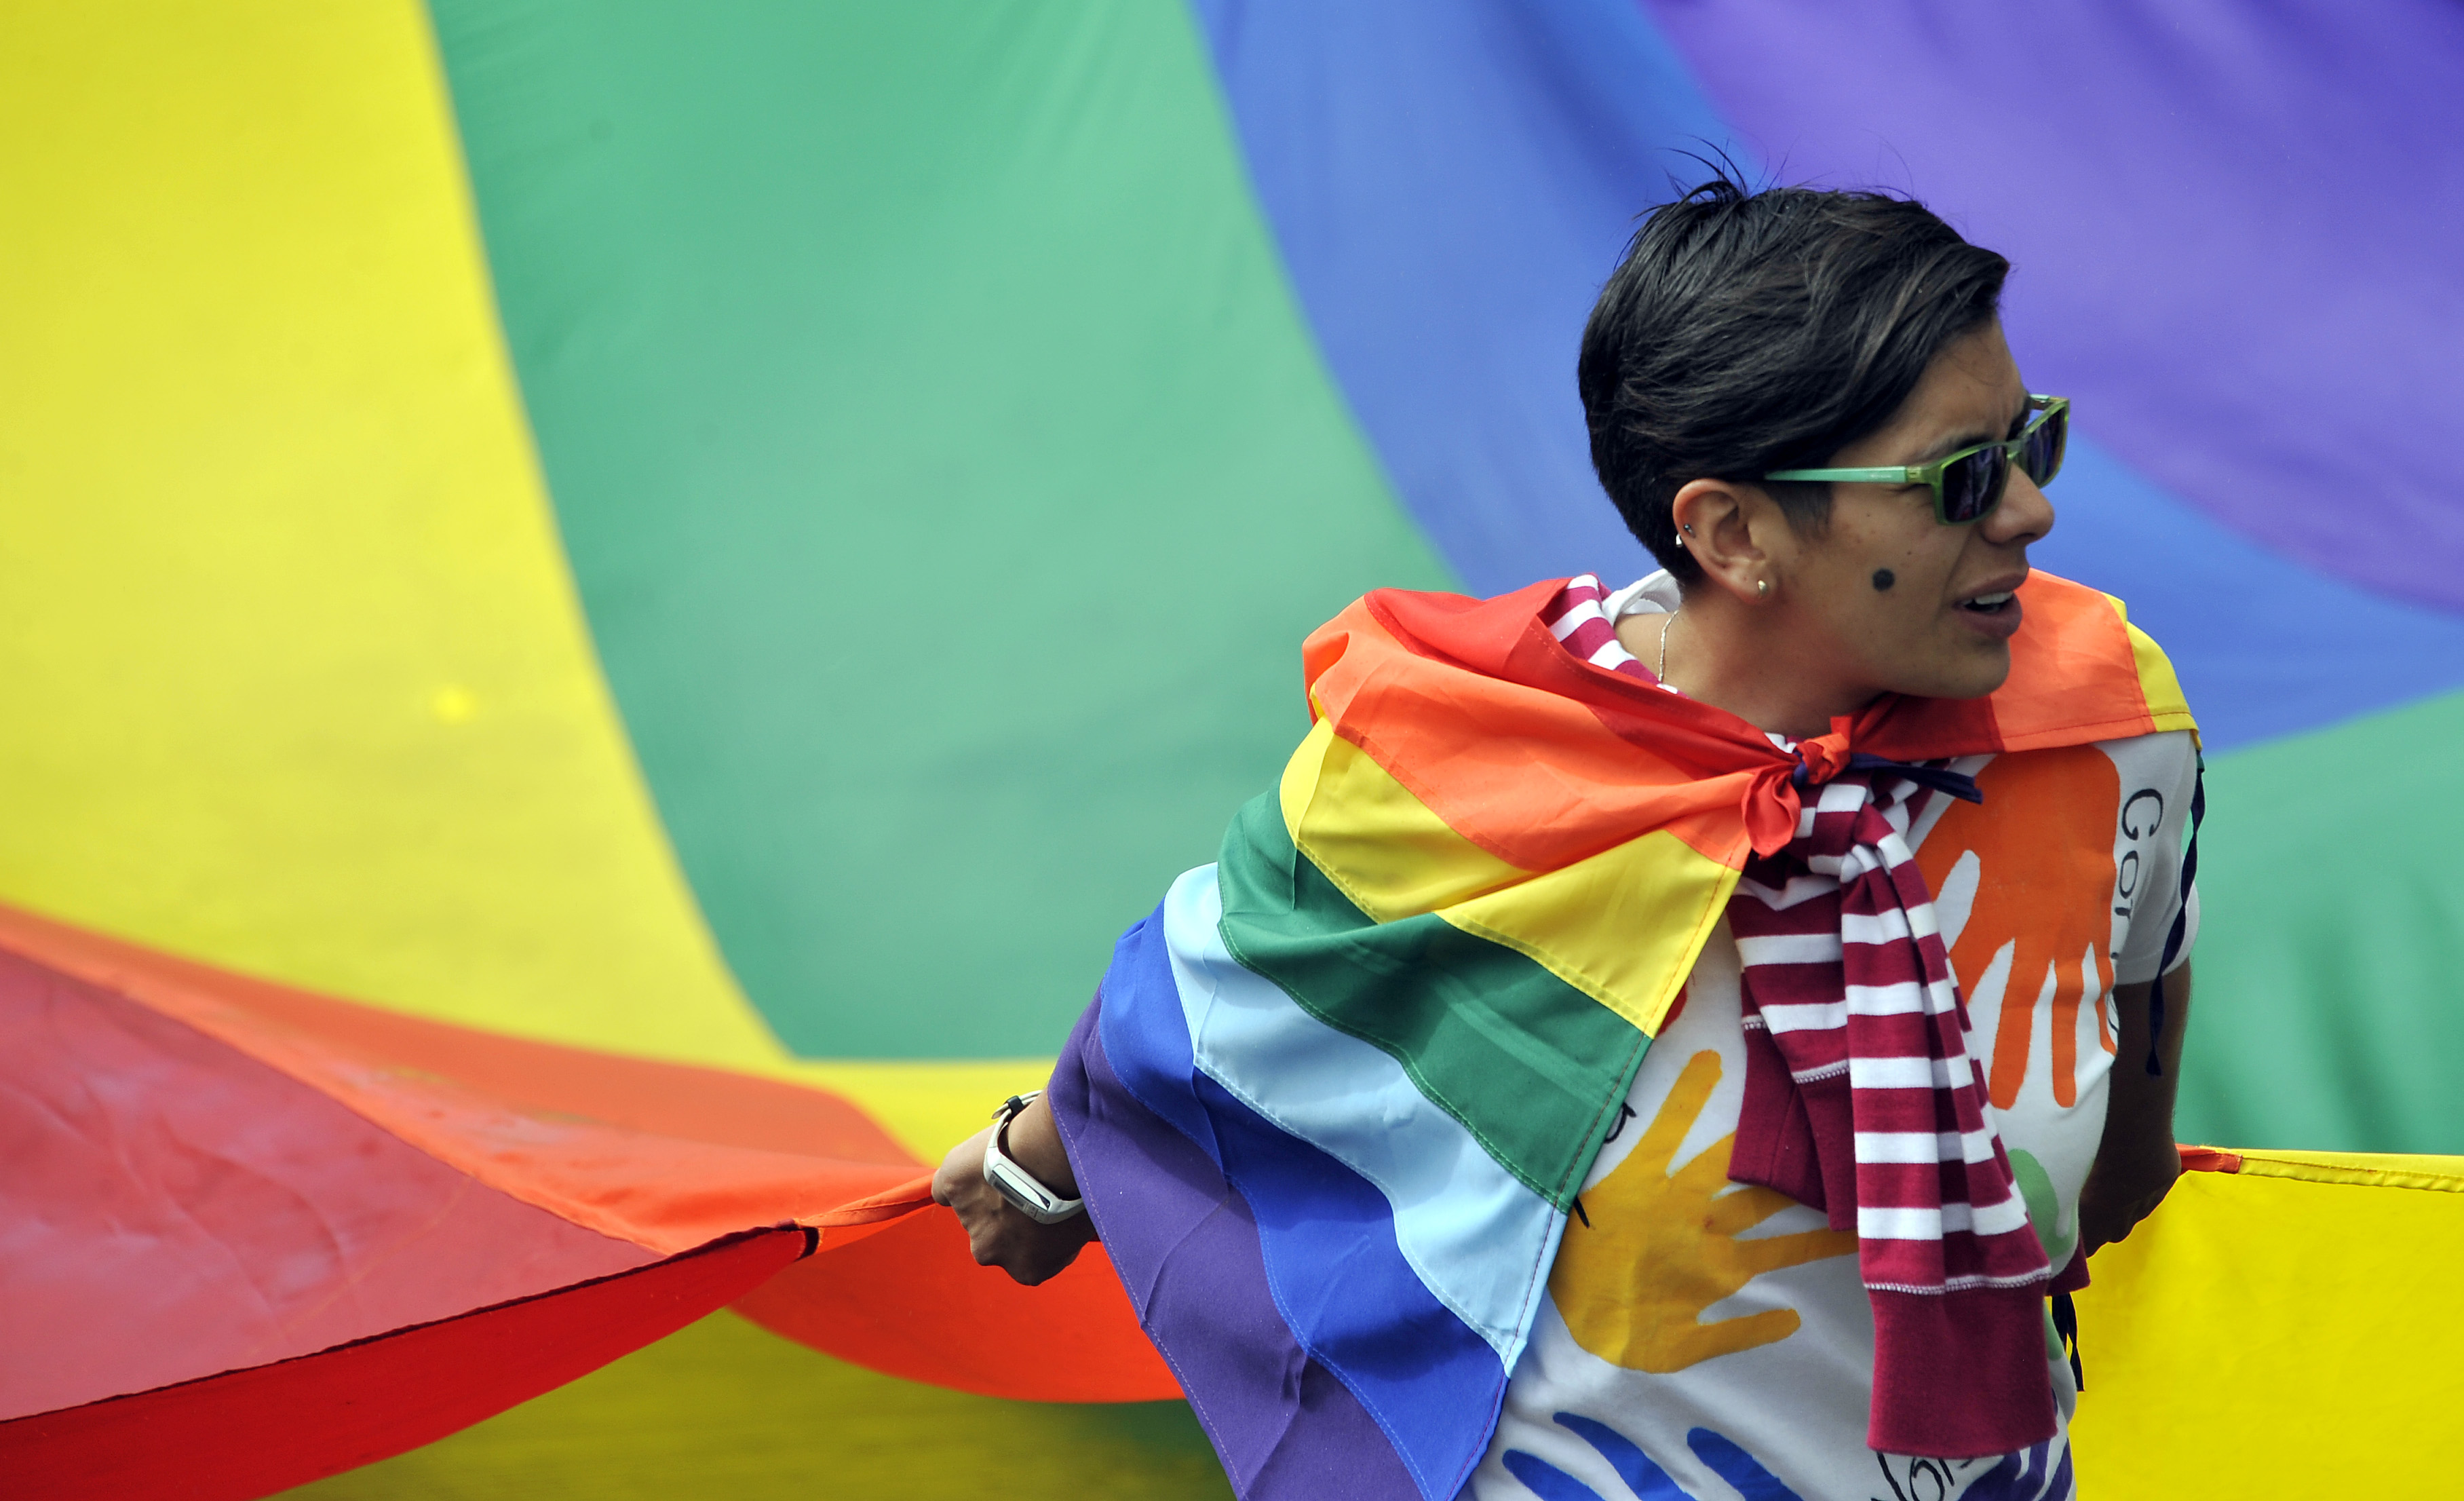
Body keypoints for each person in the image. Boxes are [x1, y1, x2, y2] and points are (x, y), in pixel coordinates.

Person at [935, 176, 2197, 1501]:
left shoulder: (2107, 732)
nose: (2028, 512)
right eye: (1962, 477)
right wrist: (1037, 1174)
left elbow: (2124, 1172)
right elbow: (1202, 993)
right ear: (1733, 531)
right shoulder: (1464, 751)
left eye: (2030, 442)